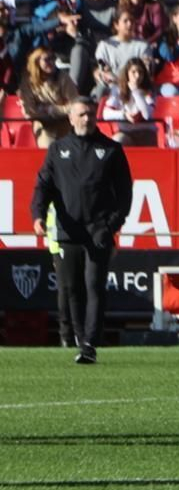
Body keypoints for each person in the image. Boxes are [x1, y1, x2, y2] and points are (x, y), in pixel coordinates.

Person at [30, 98, 133, 365]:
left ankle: (90, 343)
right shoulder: (57, 150)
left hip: (99, 230)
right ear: (71, 118)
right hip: (67, 229)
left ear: (96, 116)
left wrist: (112, 225)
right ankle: (79, 339)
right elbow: (43, 186)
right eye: (81, 114)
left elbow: (125, 195)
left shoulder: (111, 150)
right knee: (70, 288)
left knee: (94, 286)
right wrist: (38, 215)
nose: (86, 119)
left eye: (90, 114)